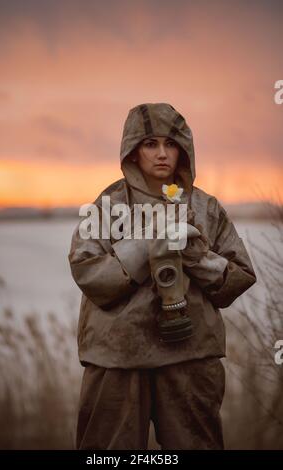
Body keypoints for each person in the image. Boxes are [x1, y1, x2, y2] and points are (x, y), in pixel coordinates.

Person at [68, 102, 257, 450]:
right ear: (132, 151)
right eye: (150, 144)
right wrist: (145, 244)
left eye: (171, 144)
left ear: (184, 150)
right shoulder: (107, 207)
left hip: (190, 357)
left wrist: (195, 255)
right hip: (117, 359)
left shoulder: (205, 208)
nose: (161, 154)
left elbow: (238, 279)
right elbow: (88, 274)